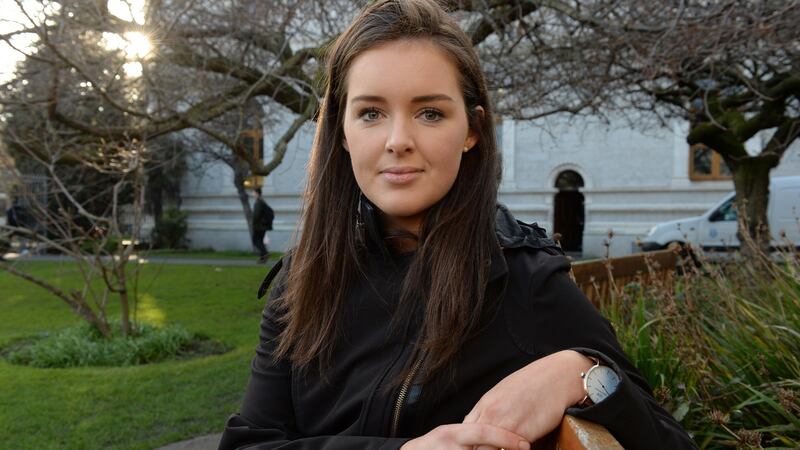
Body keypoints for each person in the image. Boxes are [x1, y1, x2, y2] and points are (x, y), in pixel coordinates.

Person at [220, 1, 696, 449]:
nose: (398, 140)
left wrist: (579, 372)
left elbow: (668, 440)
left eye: (430, 113)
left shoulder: (521, 278)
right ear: (341, 133)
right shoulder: (303, 279)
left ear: (471, 130)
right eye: (371, 113)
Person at [251, 187, 274, 263]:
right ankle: (262, 258)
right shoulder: (262, 201)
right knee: (260, 241)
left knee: (255, 241)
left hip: (259, 226)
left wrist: (253, 223)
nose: (252, 193)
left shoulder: (259, 202)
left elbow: (256, 215)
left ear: (256, 193)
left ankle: (265, 254)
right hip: (262, 226)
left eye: (253, 192)